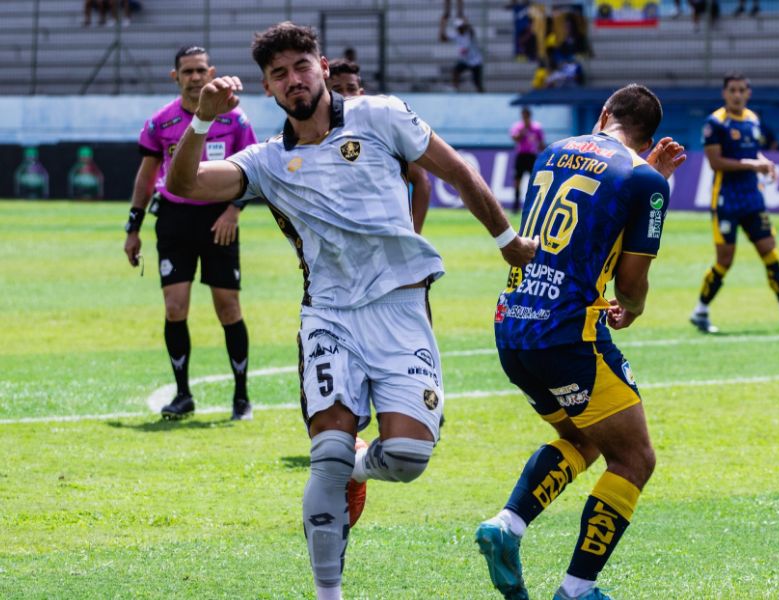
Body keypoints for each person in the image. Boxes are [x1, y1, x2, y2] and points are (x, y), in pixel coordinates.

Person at [165, 22, 535, 600]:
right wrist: (203, 119)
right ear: (268, 89)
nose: (293, 81)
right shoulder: (263, 162)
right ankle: (328, 592)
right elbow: (183, 182)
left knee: (410, 456)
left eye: (300, 67)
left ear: (321, 64)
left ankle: (363, 462)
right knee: (327, 453)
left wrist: (506, 239)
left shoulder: (381, 115)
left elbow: (458, 171)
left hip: (401, 307)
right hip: (329, 316)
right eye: (279, 75)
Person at [475, 84, 687, 600]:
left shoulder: (552, 151)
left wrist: (647, 179)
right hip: (569, 337)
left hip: (514, 326)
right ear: (649, 135)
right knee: (635, 458)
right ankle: (577, 590)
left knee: (586, 438)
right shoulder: (644, 181)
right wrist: (632, 310)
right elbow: (629, 287)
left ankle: (508, 525)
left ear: (604, 114)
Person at [123, 45, 259, 421]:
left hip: (219, 222)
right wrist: (133, 227)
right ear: (175, 76)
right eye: (188, 71)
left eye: (201, 70)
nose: (196, 77)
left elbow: (253, 172)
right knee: (174, 307)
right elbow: (147, 176)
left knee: (228, 308)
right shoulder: (160, 122)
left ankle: (241, 397)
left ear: (211, 72)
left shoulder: (235, 120)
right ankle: (183, 395)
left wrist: (234, 210)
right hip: (174, 221)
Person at [690, 73, 779, 333]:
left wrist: (764, 162)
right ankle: (701, 311)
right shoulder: (715, 123)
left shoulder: (753, 120)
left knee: (770, 253)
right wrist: (753, 164)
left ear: (748, 93)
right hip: (726, 201)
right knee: (724, 261)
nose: (737, 95)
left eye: (741, 90)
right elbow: (715, 162)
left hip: (753, 199)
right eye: (732, 91)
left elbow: (753, 153)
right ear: (724, 94)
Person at [327, 57, 432, 233]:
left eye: (351, 89)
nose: (346, 95)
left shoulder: (381, 128)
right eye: (337, 90)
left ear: (361, 93)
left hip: (391, 242)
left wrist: (416, 233)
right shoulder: (316, 139)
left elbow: (422, 181)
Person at [509, 107, 545, 213]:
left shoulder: (536, 128)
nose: (524, 118)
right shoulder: (518, 127)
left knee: (534, 180)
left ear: (529, 116)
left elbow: (541, 143)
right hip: (521, 156)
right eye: (523, 116)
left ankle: (535, 204)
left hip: (531, 156)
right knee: (517, 180)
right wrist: (522, 132)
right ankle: (516, 205)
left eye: (526, 116)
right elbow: (515, 138)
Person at [439, 16, 485, 93]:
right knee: (456, 71)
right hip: (465, 61)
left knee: (477, 83)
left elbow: (471, 30)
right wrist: (443, 25)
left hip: (475, 61)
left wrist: (465, 21)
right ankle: (455, 88)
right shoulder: (456, 35)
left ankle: (482, 95)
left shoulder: (469, 34)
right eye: (458, 28)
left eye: (461, 27)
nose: (460, 29)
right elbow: (443, 38)